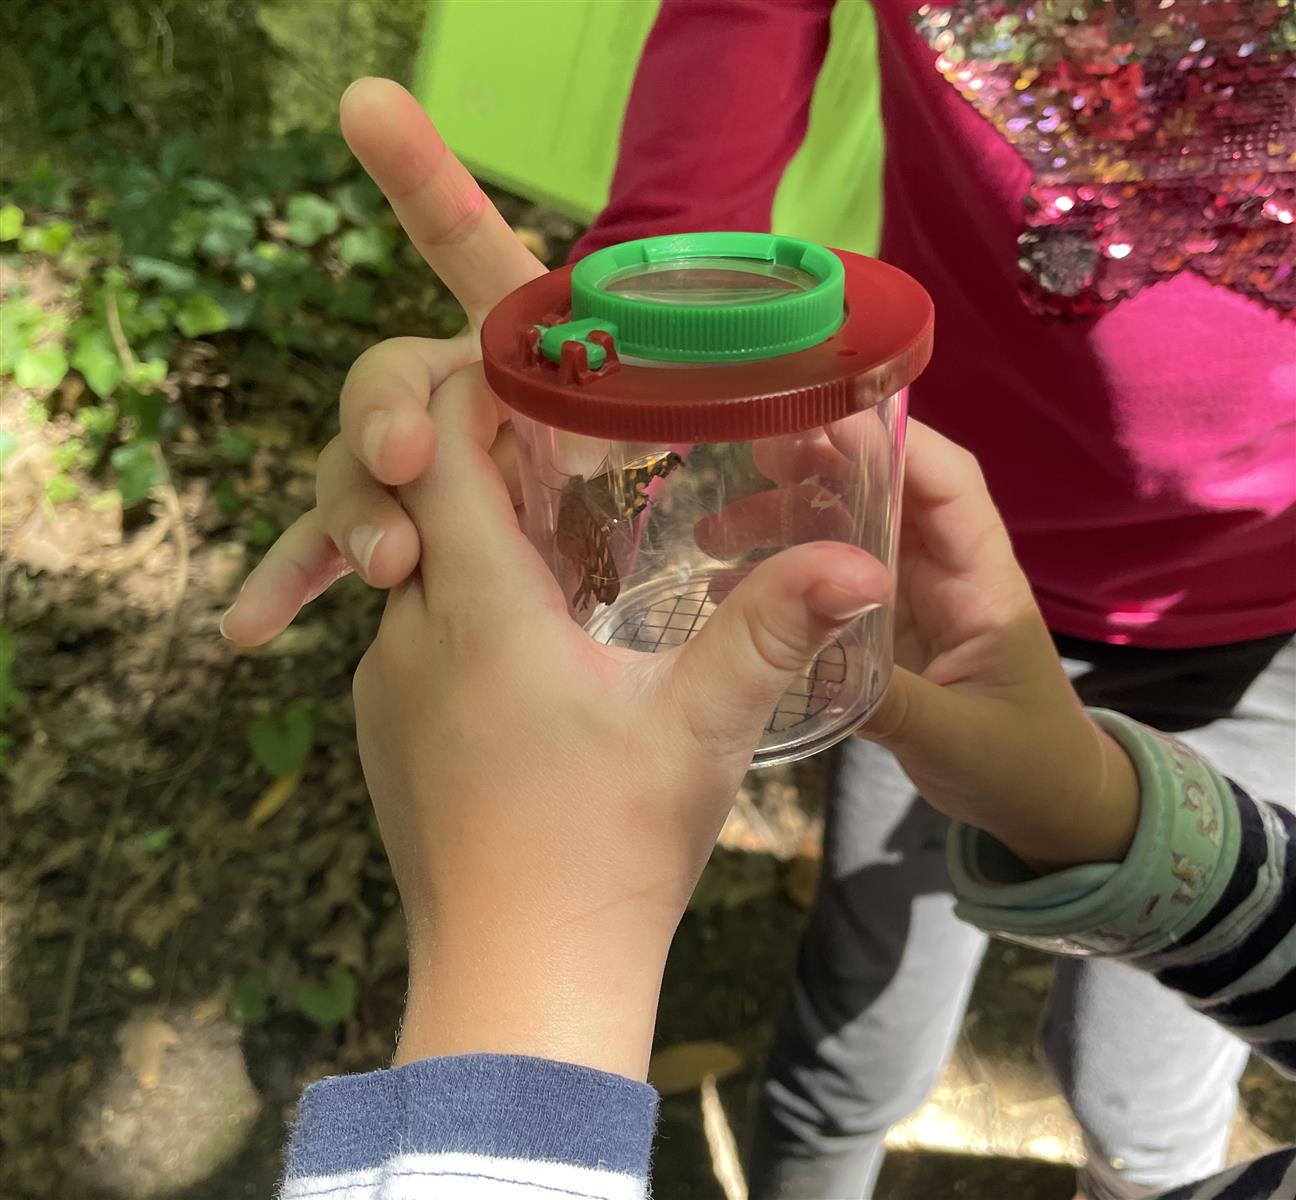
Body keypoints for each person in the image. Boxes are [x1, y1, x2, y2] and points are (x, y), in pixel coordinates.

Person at [221, 74, 1296, 1197]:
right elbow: (729, 64)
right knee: (856, 1036)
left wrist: (524, 958)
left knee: (1141, 1103)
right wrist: (1094, 810)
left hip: (1251, 622)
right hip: (930, 597)